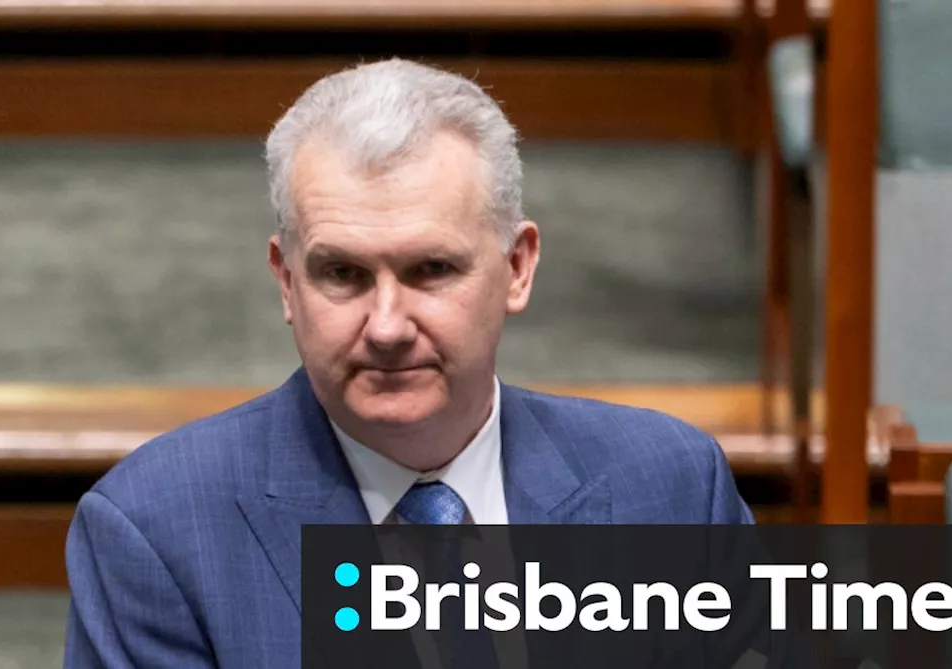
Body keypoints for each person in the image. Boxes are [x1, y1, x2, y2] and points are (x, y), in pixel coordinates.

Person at [63, 58, 753, 669]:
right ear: (286, 281)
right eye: (342, 272)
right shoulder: (155, 530)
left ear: (517, 268)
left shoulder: (671, 489)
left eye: (431, 269)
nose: (387, 327)